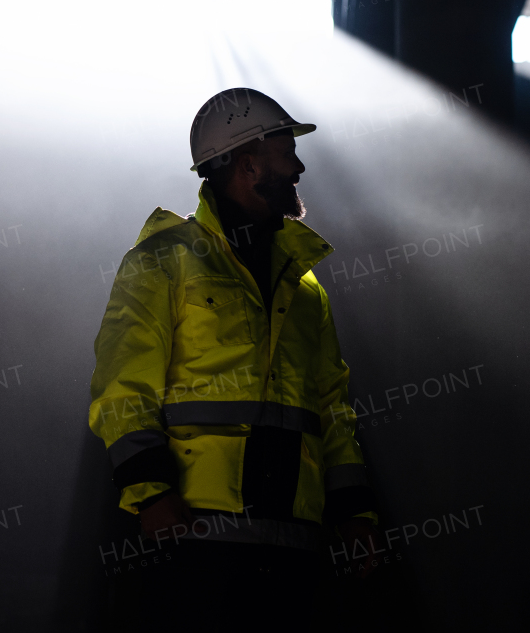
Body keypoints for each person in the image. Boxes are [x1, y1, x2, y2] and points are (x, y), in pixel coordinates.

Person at [90, 87, 380, 626]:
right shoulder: (162, 261)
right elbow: (123, 388)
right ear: (247, 164)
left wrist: (354, 514)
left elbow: (332, 409)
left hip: (293, 544)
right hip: (195, 539)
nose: (297, 166)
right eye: (285, 150)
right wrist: (150, 493)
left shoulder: (305, 284)